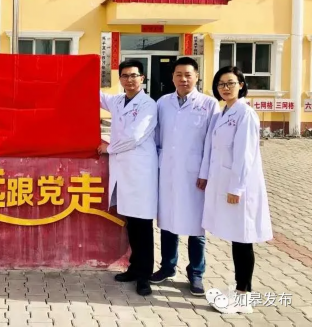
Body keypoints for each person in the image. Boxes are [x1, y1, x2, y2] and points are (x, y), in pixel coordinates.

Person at [203, 66, 273, 314]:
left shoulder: (246, 114)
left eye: (231, 83)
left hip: (240, 187)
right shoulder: (224, 112)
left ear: (241, 85)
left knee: (243, 240)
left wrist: (236, 188)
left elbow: (245, 155)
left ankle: (244, 298)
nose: (225, 88)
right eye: (221, 84)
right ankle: (240, 288)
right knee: (237, 238)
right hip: (226, 182)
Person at [152, 57, 220, 296]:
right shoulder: (163, 103)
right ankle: (167, 267)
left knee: (196, 226)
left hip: (195, 175)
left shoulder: (209, 104)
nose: (183, 79)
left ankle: (196, 273)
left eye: (188, 75)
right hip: (167, 172)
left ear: (197, 77)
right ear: (172, 77)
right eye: (179, 74)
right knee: (168, 222)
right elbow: (157, 137)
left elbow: (212, 143)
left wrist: (206, 172)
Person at [98, 60, 158, 296]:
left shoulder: (148, 105)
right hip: (124, 171)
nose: (129, 80)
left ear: (142, 78)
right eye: (125, 76)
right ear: (120, 79)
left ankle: (144, 276)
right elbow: (96, 96)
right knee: (132, 223)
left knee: (142, 225)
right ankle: (134, 268)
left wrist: (109, 148)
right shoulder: (117, 100)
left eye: (134, 76)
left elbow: (135, 136)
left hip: (140, 172)